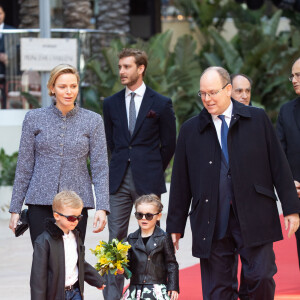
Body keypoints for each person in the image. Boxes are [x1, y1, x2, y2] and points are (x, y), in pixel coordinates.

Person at [166, 66, 300, 300]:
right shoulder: (190, 130)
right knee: (217, 289)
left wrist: (291, 209)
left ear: (228, 90)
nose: (207, 99)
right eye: (203, 94)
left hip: (255, 212)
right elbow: (180, 181)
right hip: (211, 217)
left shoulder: (257, 119)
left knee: (261, 276)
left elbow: (279, 165)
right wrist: (175, 225)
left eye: (213, 92)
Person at [103, 48, 176, 300]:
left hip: (149, 179)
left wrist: (153, 166)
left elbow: (169, 144)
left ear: (141, 68)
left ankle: (156, 293)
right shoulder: (110, 103)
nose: (121, 71)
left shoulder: (161, 103)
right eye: (120, 66)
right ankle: (112, 296)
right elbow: (111, 143)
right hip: (118, 179)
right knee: (115, 241)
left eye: (127, 67)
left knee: (153, 239)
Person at [9, 64, 109, 244]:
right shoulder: (33, 118)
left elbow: (100, 168)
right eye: (62, 86)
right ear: (52, 88)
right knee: (43, 260)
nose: (68, 91)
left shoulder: (93, 121)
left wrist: (102, 207)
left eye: (73, 86)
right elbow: (24, 166)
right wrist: (15, 209)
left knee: (72, 262)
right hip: (40, 202)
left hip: (77, 204)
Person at [30, 190, 106, 300]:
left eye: (78, 217)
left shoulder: (76, 236)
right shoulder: (44, 242)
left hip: (75, 292)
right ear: (57, 216)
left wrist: (97, 280)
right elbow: (38, 279)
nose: (75, 221)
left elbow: (80, 263)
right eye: (71, 218)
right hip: (55, 295)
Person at [122, 194, 179, 300]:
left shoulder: (164, 237)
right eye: (139, 215)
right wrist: (122, 269)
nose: (144, 218)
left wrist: (173, 287)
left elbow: (172, 264)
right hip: (135, 288)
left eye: (149, 215)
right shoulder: (131, 238)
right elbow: (129, 267)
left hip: (157, 288)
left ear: (158, 216)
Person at [231, 73, 253, 300]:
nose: (245, 95)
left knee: (255, 267)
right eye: (239, 91)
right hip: (224, 205)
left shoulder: (258, 120)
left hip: (251, 205)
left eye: (247, 91)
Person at [277, 57, 300, 268]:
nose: (293, 79)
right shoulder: (286, 111)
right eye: (292, 75)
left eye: (298, 75)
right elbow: (279, 154)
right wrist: (288, 183)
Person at [0, 5, 14, 109]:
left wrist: (8, 56)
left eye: (0, 13)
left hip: (8, 71)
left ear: (4, 14)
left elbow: (16, 47)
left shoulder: (12, 31)